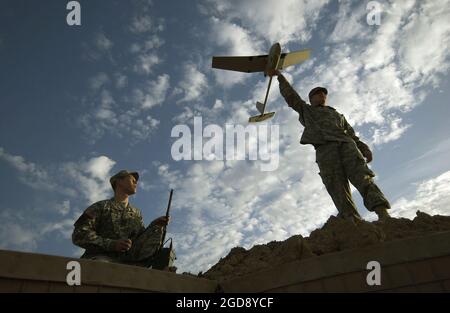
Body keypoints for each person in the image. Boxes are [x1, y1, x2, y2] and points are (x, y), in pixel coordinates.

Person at [270, 69, 391, 221]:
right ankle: (352, 221)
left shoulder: (337, 115)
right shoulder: (306, 110)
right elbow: (291, 96)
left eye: (324, 93)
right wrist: (280, 77)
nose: (322, 95)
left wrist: (364, 148)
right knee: (336, 186)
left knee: (363, 177)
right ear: (311, 98)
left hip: (347, 146)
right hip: (325, 149)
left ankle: (382, 212)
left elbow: (352, 134)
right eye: (317, 94)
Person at [72, 170, 172, 268]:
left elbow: (138, 243)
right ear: (119, 181)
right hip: (100, 260)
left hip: (129, 264)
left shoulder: (136, 214)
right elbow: (79, 234)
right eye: (132, 179)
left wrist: (154, 225)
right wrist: (112, 244)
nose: (136, 182)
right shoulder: (100, 207)